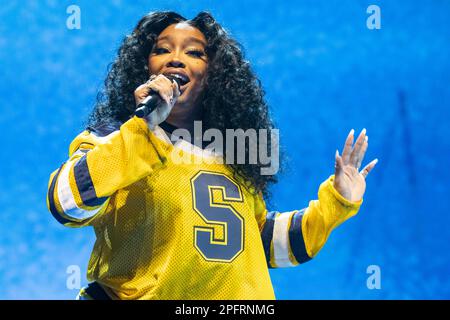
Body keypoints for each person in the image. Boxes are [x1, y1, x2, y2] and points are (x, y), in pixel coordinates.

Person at [46, 11, 378, 300]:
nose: (176, 59)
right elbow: (65, 203)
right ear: (144, 66)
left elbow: (261, 242)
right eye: (162, 50)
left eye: (194, 53)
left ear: (215, 74)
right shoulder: (114, 139)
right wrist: (143, 130)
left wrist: (335, 204)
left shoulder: (234, 151)